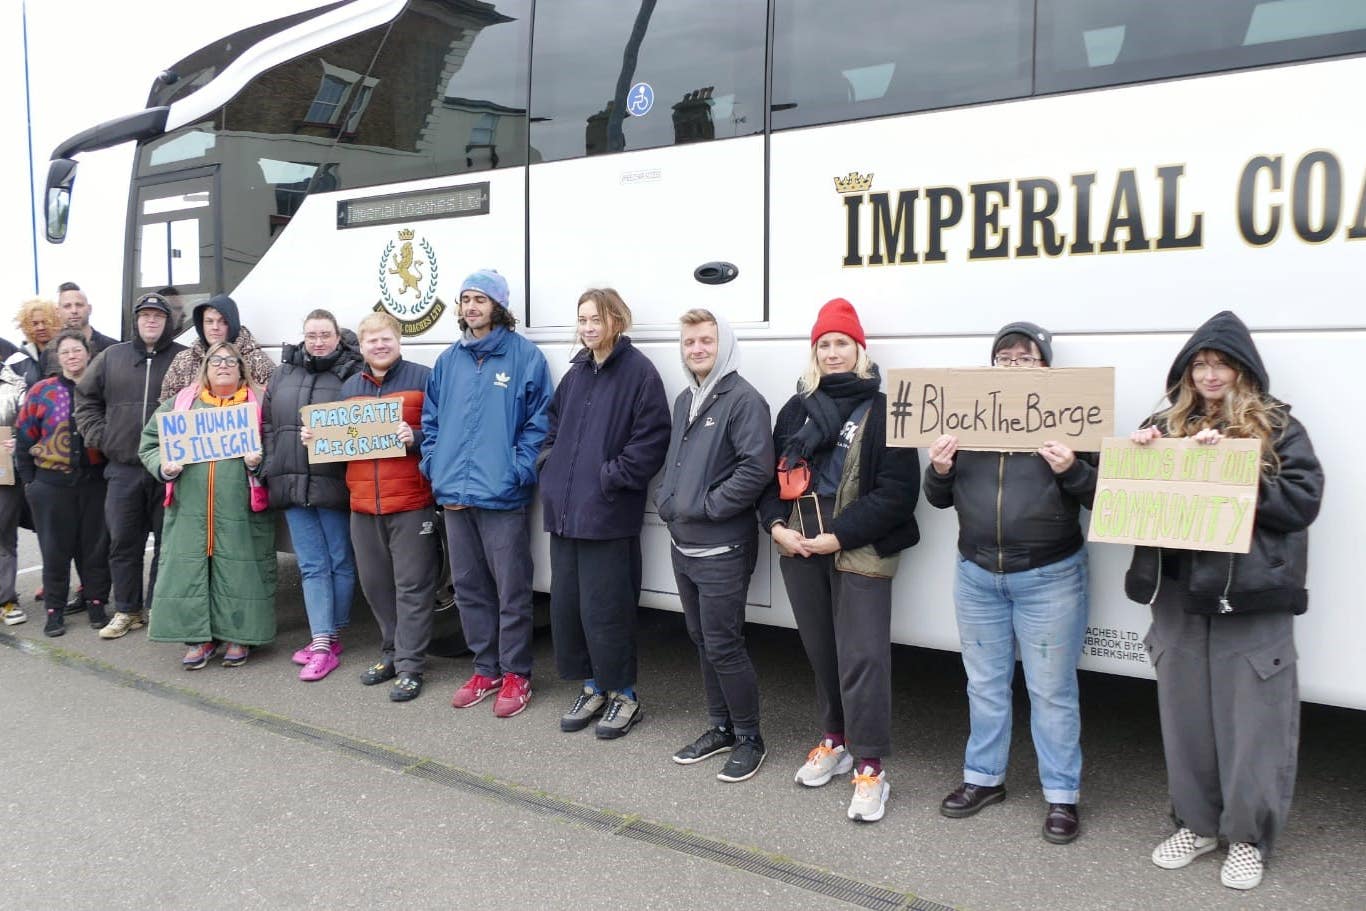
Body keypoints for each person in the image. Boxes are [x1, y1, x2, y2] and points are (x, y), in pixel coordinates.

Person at [1130, 311, 1322, 891]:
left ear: (1243, 371)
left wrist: (1235, 468)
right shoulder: (1161, 423)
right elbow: (1122, 497)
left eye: (1221, 364)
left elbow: (1302, 502)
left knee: (1252, 724)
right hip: (1180, 596)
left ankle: (1247, 838)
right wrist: (1142, 457)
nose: (1210, 375)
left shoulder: (1280, 427)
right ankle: (1197, 824)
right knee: (1186, 721)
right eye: (1201, 364)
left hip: (1252, 597)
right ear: (1188, 372)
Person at [924, 322, 1095, 844]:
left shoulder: (1072, 417)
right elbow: (937, 498)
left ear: (1045, 366)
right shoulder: (971, 415)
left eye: (1026, 357)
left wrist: (1072, 469)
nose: (1014, 365)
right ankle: (984, 779)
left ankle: (1062, 797)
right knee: (984, 684)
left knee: (1052, 691)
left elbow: (1102, 496)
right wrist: (940, 469)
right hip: (976, 573)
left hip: (1050, 576)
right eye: (1005, 357)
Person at [757, 297, 920, 823]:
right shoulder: (796, 409)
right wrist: (776, 527)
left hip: (859, 546)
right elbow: (769, 479)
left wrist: (839, 535)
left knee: (864, 657)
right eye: (824, 344)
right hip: (798, 544)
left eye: (841, 344)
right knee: (821, 649)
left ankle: (870, 767)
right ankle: (835, 738)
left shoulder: (885, 408)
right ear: (814, 352)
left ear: (859, 350)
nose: (832, 352)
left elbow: (898, 492)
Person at [539, 288, 670, 739]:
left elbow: (652, 438)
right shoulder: (575, 375)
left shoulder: (639, 373)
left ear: (617, 319)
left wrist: (611, 478)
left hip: (608, 515)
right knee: (570, 607)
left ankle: (625, 696)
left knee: (607, 609)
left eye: (596, 318)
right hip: (565, 514)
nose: (588, 327)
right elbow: (550, 425)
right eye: (582, 320)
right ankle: (593, 687)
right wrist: (549, 466)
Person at [420, 270, 552, 718]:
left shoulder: (525, 357)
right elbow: (431, 422)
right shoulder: (448, 360)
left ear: (498, 307)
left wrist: (518, 470)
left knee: (512, 590)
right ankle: (485, 668)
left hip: (503, 494)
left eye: (480, 299)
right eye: (466, 300)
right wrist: (434, 465)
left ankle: (517, 673)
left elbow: (540, 423)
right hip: (455, 493)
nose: (472, 307)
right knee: (470, 588)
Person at [656, 309, 773, 782]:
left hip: (723, 547)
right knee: (702, 641)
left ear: (723, 345)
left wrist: (705, 506)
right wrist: (666, 500)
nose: (697, 349)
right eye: (690, 342)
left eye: (706, 340)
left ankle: (749, 738)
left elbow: (756, 469)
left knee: (724, 645)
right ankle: (720, 727)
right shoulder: (687, 398)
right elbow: (674, 462)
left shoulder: (743, 399)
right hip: (684, 545)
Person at [140, 341, 275, 669]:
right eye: (217, 361)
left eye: (231, 360)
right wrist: (164, 466)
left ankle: (238, 636)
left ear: (241, 368)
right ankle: (198, 639)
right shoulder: (183, 404)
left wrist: (259, 462)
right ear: (206, 368)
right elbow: (149, 444)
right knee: (191, 572)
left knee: (239, 570)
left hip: (240, 507)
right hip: (190, 509)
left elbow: (279, 444)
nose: (224, 365)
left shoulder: (257, 404)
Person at [333, 312, 439, 702]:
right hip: (363, 505)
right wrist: (318, 436)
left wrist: (415, 435)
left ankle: (411, 666)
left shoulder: (424, 379)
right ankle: (391, 653)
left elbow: (444, 430)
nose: (380, 345)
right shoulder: (348, 388)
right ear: (361, 347)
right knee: (377, 587)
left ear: (399, 340)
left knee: (412, 587)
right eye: (372, 340)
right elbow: (338, 442)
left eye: (386, 339)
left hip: (411, 501)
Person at [75, 292, 187, 640]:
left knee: (168, 544)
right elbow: (85, 398)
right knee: (124, 543)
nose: (151, 321)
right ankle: (127, 610)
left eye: (158, 315)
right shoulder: (112, 357)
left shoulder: (183, 359)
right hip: (123, 468)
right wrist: (101, 437)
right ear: (136, 320)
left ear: (167, 321)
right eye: (145, 315)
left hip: (168, 469)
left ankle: (157, 607)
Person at [262, 310, 363, 682]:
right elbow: (269, 421)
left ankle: (329, 637)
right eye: (311, 335)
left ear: (338, 336)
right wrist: (272, 462)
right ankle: (323, 640)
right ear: (303, 337)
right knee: (310, 565)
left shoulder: (352, 373)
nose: (317, 341)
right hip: (291, 484)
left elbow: (360, 424)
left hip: (332, 482)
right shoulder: (284, 372)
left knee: (339, 560)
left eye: (324, 334)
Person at [14, 330, 112, 636]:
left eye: (77, 350)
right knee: (55, 550)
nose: (72, 356)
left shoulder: (102, 389)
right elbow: (24, 436)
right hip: (50, 484)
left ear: (88, 353)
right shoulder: (42, 391)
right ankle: (54, 611)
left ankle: (96, 602)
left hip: (94, 483)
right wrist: (30, 481)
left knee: (94, 548)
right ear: (58, 357)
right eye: (66, 351)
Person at [159, 294, 274, 401]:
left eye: (222, 322)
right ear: (201, 325)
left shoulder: (257, 361)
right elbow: (167, 406)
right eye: (209, 321)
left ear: (232, 324)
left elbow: (273, 405)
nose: (215, 327)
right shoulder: (184, 361)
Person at [0, 346, 24, 626]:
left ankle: (6, 600)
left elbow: (26, 425)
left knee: (4, 536)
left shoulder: (16, 383)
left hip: (5, 473)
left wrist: (17, 441)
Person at [49, 282, 117, 376]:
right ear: (58, 311)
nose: (74, 311)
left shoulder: (112, 349)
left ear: (89, 309)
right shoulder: (49, 351)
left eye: (79, 305)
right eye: (67, 306)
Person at [14, 299, 61, 379]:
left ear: (56, 322)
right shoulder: (17, 360)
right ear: (26, 326)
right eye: (35, 324)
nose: (41, 327)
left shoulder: (67, 353)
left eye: (45, 322)